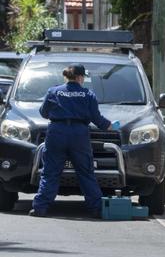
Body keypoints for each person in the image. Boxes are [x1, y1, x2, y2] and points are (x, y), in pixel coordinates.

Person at [29, 64, 113, 218]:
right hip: (79, 134)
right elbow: (96, 118)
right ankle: (96, 209)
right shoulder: (88, 94)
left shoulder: (53, 91)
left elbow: (43, 112)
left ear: (66, 77)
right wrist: (109, 125)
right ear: (80, 77)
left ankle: (40, 208)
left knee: (50, 172)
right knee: (86, 172)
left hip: (56, 132)